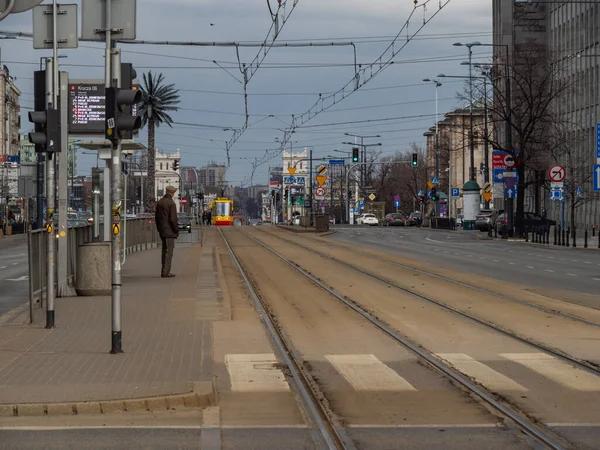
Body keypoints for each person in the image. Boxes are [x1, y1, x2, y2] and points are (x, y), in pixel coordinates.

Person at [155, 186, 179, 278]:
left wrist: (159, 228)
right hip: (169, 231)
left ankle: (163, 270)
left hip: (162, 230)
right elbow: (173, 219)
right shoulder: (171, 203)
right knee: (169, 252)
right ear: (172, 193)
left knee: (164, 250)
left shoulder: (160, 202)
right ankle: (166, 272)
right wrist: (176, 229)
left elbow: (157, 217)